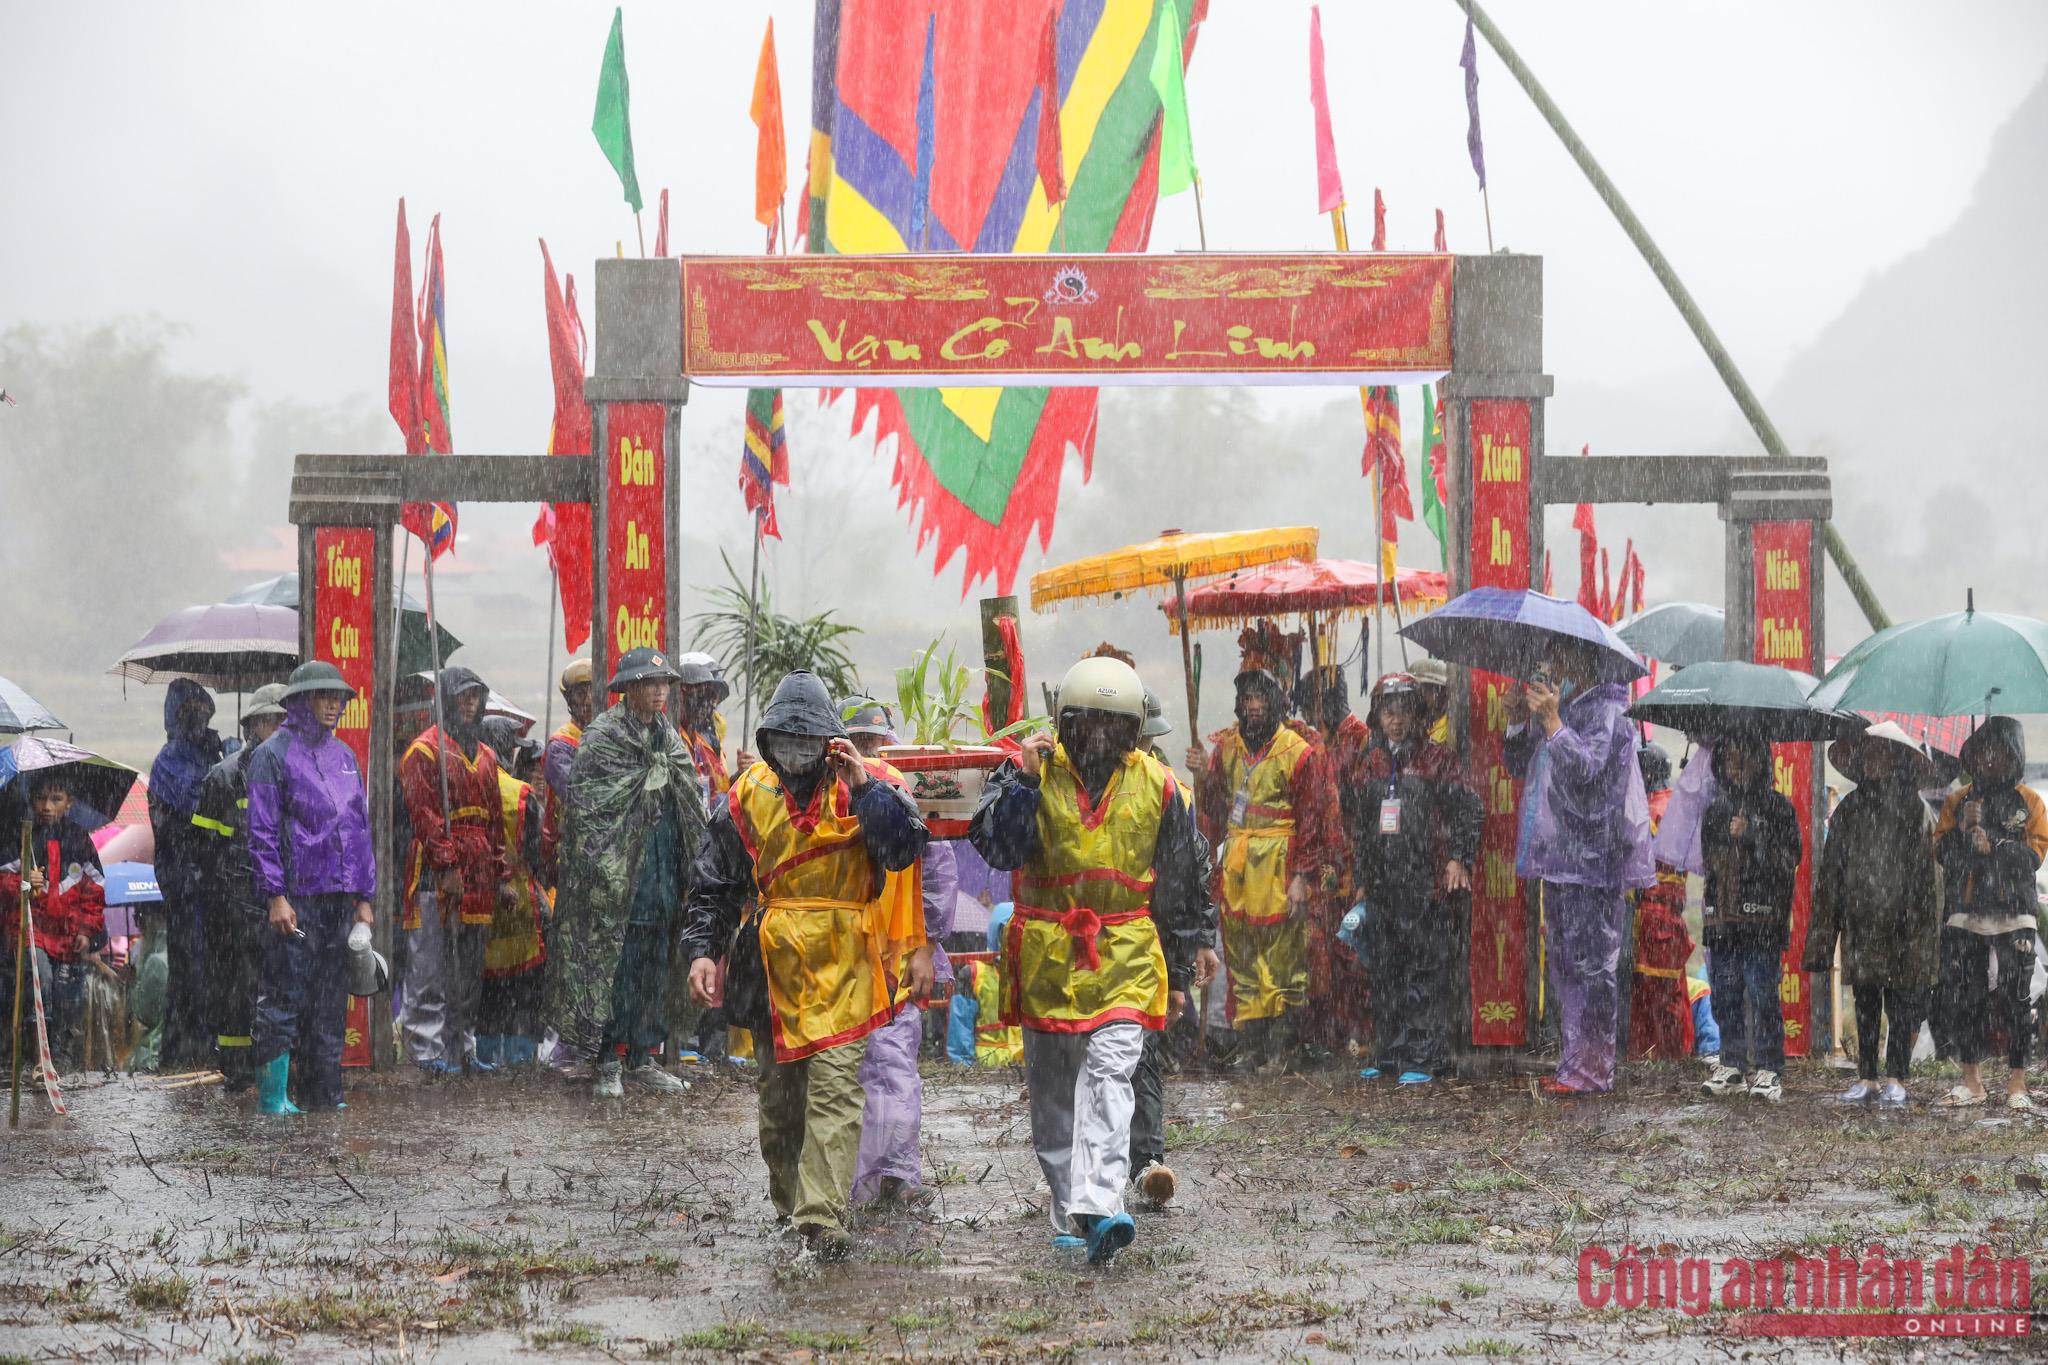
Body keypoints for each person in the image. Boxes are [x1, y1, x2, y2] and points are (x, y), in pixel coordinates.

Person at [972, 656, 1216, 1265]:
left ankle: (1102, 1205)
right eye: (1089, 724)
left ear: (1134, 730)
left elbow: (1184, 885)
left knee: (1112, 1076)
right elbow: (998, 848)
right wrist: (1025, 783)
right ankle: (1066, 1210)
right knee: (1052, 1090)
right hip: (1048, 952)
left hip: (1126, 951)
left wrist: (1182, 966)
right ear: (1065, 722)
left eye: (1115, 725)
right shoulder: (1025, 772)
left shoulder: (1162, 787)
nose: (1101, 738)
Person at [683, 671, 931, 1258]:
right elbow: (713, 884)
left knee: (836, 1090)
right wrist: (703, 951)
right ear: (770, 741)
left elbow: (904, 848)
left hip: (846, 960)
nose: (795, 754)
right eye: (784, 742)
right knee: (779, 1103)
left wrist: (866, 787)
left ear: (828, 741)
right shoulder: (746, 795)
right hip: (773, 967)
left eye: (807, 741)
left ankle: (821, 1218)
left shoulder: (864, 785)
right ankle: (791, 1205)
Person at [546, 648, 708, 1097]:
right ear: (630, 688)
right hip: (617, 876)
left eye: (664, 685)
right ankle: (607, 1060)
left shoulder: (669, 739)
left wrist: (690, 865)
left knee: (654, 964)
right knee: (612, 967)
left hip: (660, 870)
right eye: (650, 684)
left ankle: (641, 1056)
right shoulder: (603, 738)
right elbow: (589, 810)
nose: (660, 692)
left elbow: (689, 801)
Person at [1503, 639, 1655, 1095]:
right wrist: (1517, 720)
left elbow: (1587, 771)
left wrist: (1552, 722)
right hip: (1559, 857)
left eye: (1564, 657)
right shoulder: (1568, 705)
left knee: (1593, 966)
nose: (1557, 666)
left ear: (1585, 660)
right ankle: (1573, 1063)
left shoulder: (1608, 713)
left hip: (1594, 860)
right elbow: (1520, 764)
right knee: (1566, 963)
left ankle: (1593, 1069)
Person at [1189, 666, 1342, 1072]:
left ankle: (1282, 1048)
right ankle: (1252, 1047)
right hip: (1239, 868)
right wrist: (1204, 777)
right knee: (1243, 959)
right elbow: (1218, 812)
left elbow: (1310, 819)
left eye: (1261, 698)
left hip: (1280, 864)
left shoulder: (1298, 752)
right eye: (1247, 699)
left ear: (1275, 704)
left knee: (1284, 961)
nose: (1254, 706)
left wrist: (1302, 877)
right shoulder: (1227, 749)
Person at [245, 662, 376, 1114]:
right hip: (296, 901)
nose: (334, 705)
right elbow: (261, 831)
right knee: (284, 992)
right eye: (324, 696)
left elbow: (359, 829)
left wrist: (364, 898)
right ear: (300, 700)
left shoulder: (345, 757)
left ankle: (326, 1092)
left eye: (339, 697)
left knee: (330, 996)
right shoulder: (272, 755)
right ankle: (273, 1096)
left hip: (339, 901)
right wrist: (275, 894)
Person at [842, 697, 958, 1207]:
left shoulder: (901, 792)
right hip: (845, 959)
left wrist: (926, 947)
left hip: (895, 956)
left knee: (892, 1067)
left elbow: (935, 873)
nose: (867, 751)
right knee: (848, 1073)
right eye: (859, 742)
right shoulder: (830, 796)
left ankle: (893, 1175)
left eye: (873, 742)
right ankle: (856, 1180)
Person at [1351, 674, 1481, 1085]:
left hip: (1426, 885)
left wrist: (1459, 858)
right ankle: (1389, 1052)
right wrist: (1361, 877)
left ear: (1416, 714)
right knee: (1386, 969)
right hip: (1384, 886)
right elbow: (1360, 828)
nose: (1395, 720)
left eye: (1403, 711)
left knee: (1425, 970)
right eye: (1388, 712)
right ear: (1378, 716)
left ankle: (1424, 1057)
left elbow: (1468, 808)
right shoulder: (1370, 764)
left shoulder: (1438, 759)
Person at [1804, 724, 1942, 1108]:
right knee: (1865, 1001)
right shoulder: (1849, 809)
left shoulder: (1917, 811)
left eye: (1882, 753)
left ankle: (1896, 1075)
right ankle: (1865, 1074)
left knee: (1901, 1004)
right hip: (1862, 924)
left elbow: (1930, 878)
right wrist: (1822, 938)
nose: (1874, 760)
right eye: (1869, 754)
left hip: (1905, 927)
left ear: (1898, 760)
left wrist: (1922, 929)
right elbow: (1831, 874)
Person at [1931, 717, 2047, 1110]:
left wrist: (1994, 843)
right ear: (1972, 757)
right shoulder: (1958, 801)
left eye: (1998, 752)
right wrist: (1965, 830)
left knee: (2017, 998)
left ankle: (2018, 1082)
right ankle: (1971, 1080)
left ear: (2013, 756)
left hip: (2015, 912)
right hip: (1966, 912)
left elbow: (2033, 856)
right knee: (1968, 997)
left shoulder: (2029, 801)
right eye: (1982, 752)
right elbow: (1941, 854)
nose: (1989, 760)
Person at [398, 667, 509, 1074]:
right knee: (430, 964)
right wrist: (445, 864)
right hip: (434, 867)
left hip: (478, 867)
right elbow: (424, 815)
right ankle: (425, 1051)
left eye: (475, 696)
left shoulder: (489, 755)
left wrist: (498, 873)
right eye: (462, 695)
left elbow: (495, 820)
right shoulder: (422, 752)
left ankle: (462, 1046)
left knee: (468, 968)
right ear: (445, 700)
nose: (470, 703)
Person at [190, 682, 290, 1089]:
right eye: (277, 722)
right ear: (257, 725)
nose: (284, 730)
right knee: (238, 987)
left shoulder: (294, 772)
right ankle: (237, 1069)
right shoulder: (224, 776)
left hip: (282, 898)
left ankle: (277, 1067)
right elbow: (203, 849)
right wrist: (226, 899)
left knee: (281, 985)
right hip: (236, 903)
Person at [1696, 733, 1803, 1103]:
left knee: (1761, 992)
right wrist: (1728, 843)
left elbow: (1789, 861)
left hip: (1763, 920)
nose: (1738, 768)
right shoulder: (1716, 810)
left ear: (1762, 763)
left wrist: (1754, 835)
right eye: (1731, 760)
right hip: (1723, 919)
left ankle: (1769, 1068)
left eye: (1746, 759)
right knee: (1724, 992)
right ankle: (1732, 1063)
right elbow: (1708, 860)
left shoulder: (1779, 808)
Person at [0, 772, 108, 1075]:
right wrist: (21, 882)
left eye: (56, 799)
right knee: (40, 984)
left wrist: (87, 930)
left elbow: (94, 890)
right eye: (41, 798)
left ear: (69, 803)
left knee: (65, 997)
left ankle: (60, 1055)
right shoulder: (18, 835)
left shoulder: (78, 838)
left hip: (68, 934)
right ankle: (38, 1059)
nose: (47, 806)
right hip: (29, 929)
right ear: (31, 800)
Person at [148, 677, 225, 1069]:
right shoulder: (168, 762)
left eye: (203, 708)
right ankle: (184, 1052)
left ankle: (210, 1045)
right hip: (183, 881)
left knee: (216, 965)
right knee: (190, 967)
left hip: (216, 881)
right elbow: (194, 810)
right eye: (189, 710)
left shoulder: (217, 752)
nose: (199, 717)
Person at [1299, 665, 1374, 1060]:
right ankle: (1327, 1033)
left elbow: (1364, 801)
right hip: (1322, 860)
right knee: (1322, 951)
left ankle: (1362, 1031)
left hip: (1351, 855)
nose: (1309, 713)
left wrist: (1335, 786)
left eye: (1313, 703)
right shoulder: (1313, 741)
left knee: (1352, 949)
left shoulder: (1361, 739)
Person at [477, 718, 549, 1069]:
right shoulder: (522, 795)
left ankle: (486, 1055)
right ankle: (521, 1058)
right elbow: (537, 856)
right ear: (507, 748)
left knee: (488, 988)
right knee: (524, 987)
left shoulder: (471, 783)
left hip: (482, 901)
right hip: (521, 902)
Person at [1629, 743, 1696, 1062]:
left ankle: (1659, 1055)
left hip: (1652, 913)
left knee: (1651, 992)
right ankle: (1672, 1053)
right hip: (1669, 914)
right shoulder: (1678, 805)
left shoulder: (1647, 811)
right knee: (1670, 991)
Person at [947, 901, 1024, 1067]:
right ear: (997, 933)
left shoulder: (1032, 974)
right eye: (1008, 932)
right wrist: (965, 1069)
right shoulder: (973, 974)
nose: (1014, 941)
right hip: (988, 1066)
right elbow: (961, 1029)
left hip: (1027, 1068)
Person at [541, 658, 595, 881]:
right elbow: (578, 794)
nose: (589, 700)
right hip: (569, 851)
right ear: (570, 699)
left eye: (593, 692)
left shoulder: (610, 738)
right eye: (581, 694)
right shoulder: (560, 746)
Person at [1408, 657, 1454, 746]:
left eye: (1426, 689)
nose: (1421, 695)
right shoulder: (1417, 721)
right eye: (1417, 690)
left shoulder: (1450, 728)